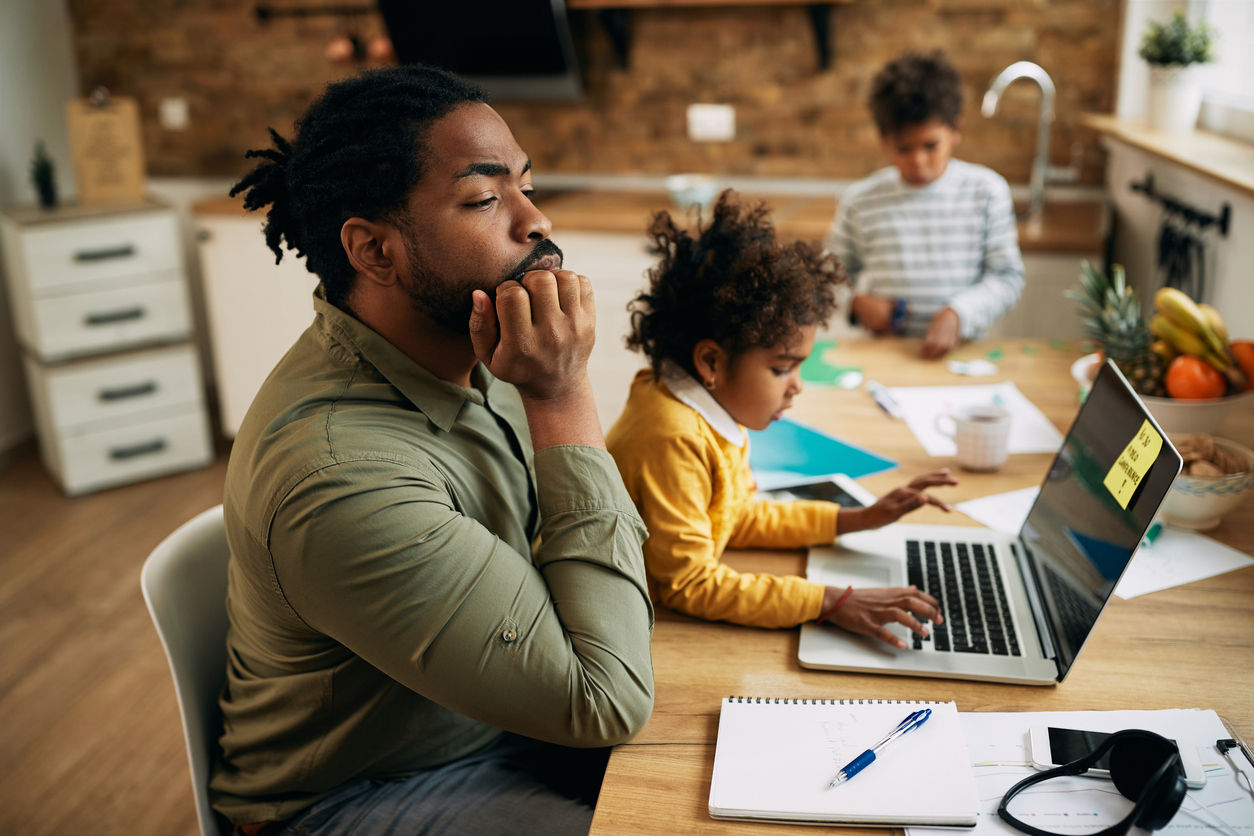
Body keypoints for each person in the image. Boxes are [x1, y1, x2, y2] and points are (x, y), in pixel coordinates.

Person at [212, 65, 655, 836]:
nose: (535, 221)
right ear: (375, 251)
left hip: (490, 718)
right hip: (362, 792)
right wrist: (563, 395)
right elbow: (604, 701)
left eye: (525, 184)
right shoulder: (338, 476)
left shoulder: (479, 349)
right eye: (485, 199)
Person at [605, 190, 955, 643]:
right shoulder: (674, 436)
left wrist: (857, 519)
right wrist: (830, 601)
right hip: (633, 630)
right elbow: (688, 585)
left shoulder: (710, 410)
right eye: (781, 368)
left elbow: (737, 516)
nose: (798, 385)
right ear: (711, 362)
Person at [827, 49, 1024, 359]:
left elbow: (1006, 277)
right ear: (883, 139)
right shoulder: (859, 201)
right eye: (903, 148)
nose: (918, 161)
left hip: (962, 355)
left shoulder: (987, 191)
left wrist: (959, 313)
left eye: (930, 146)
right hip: (883, 355)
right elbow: (829, 275)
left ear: (956, 130)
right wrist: (855, 303)